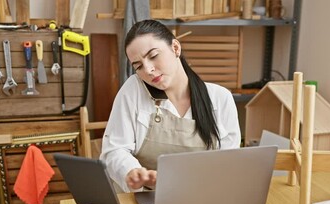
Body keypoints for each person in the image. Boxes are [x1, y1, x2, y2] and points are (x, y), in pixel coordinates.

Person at [100, 19, 241, 192]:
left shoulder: (220, 98)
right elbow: (114, 150)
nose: (148, 70)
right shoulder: (133, 90)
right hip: (145, 198)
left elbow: (229, 161)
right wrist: (132, 172)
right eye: (138, 66)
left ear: (175, 48)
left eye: (153, 56)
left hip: (201, 197)